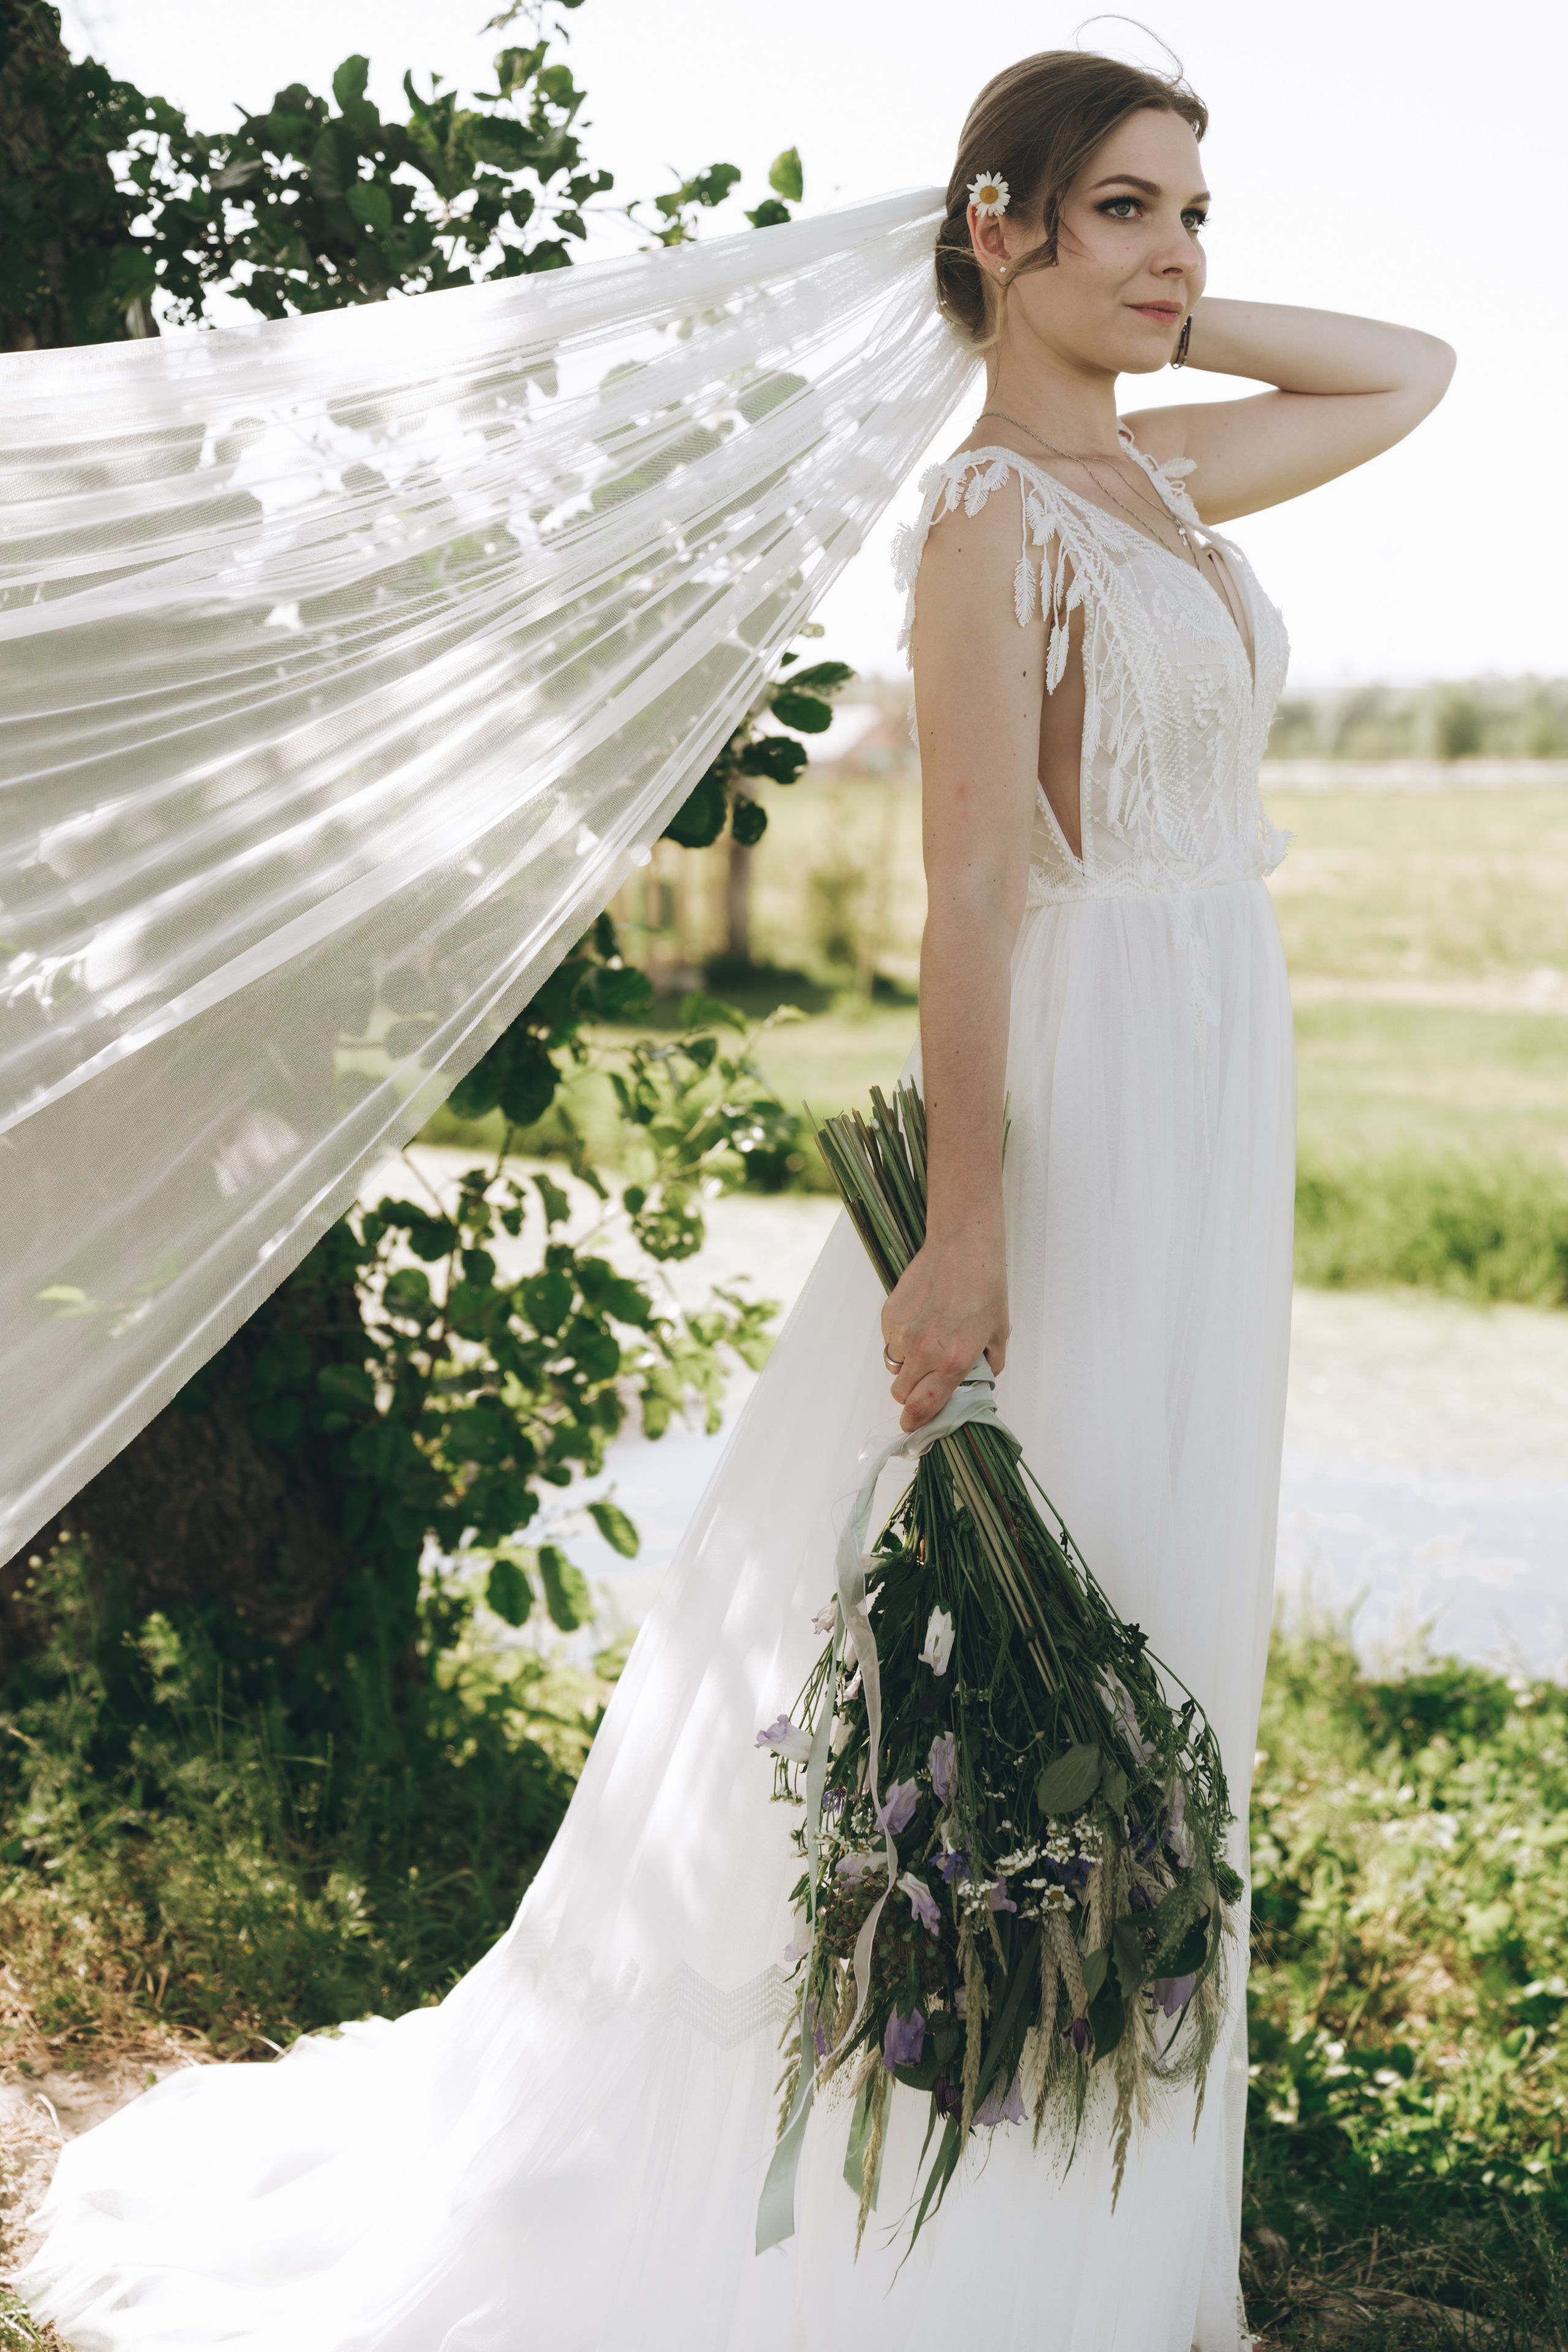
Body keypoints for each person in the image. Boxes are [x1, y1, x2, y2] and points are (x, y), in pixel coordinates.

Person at [20, 47, 1451, 2352]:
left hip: (1222, 1082)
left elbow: (1419, 371)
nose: (1185, 258)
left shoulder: (1173, 491)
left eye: (1199, 214)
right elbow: (972, 903)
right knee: (1014, 1625)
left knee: (1164, 1612)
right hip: (1084, 1103)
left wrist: (1160, 314)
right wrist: (963, 1235)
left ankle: (1104, 2175)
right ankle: (938, 2210)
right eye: (1126, 215)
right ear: (998, 228)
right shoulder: (996, 528)